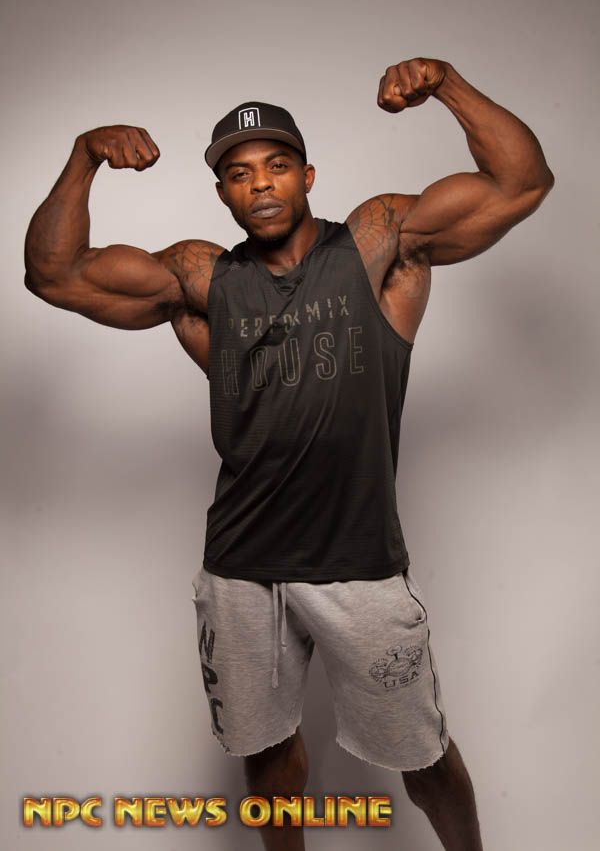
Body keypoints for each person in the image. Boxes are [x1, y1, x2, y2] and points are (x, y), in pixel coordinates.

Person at [24, 57, 553, 850]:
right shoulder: (202, 279)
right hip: (241, 567)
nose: (260, 185)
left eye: (276, 166)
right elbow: (54, 275)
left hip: (357, 564)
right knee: (268, 757)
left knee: (423, 758)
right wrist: (83, 157)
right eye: (239, 174)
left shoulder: (377, 245)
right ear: (223, 194)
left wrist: (446, 82)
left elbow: (520, 182)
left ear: (307, 176)